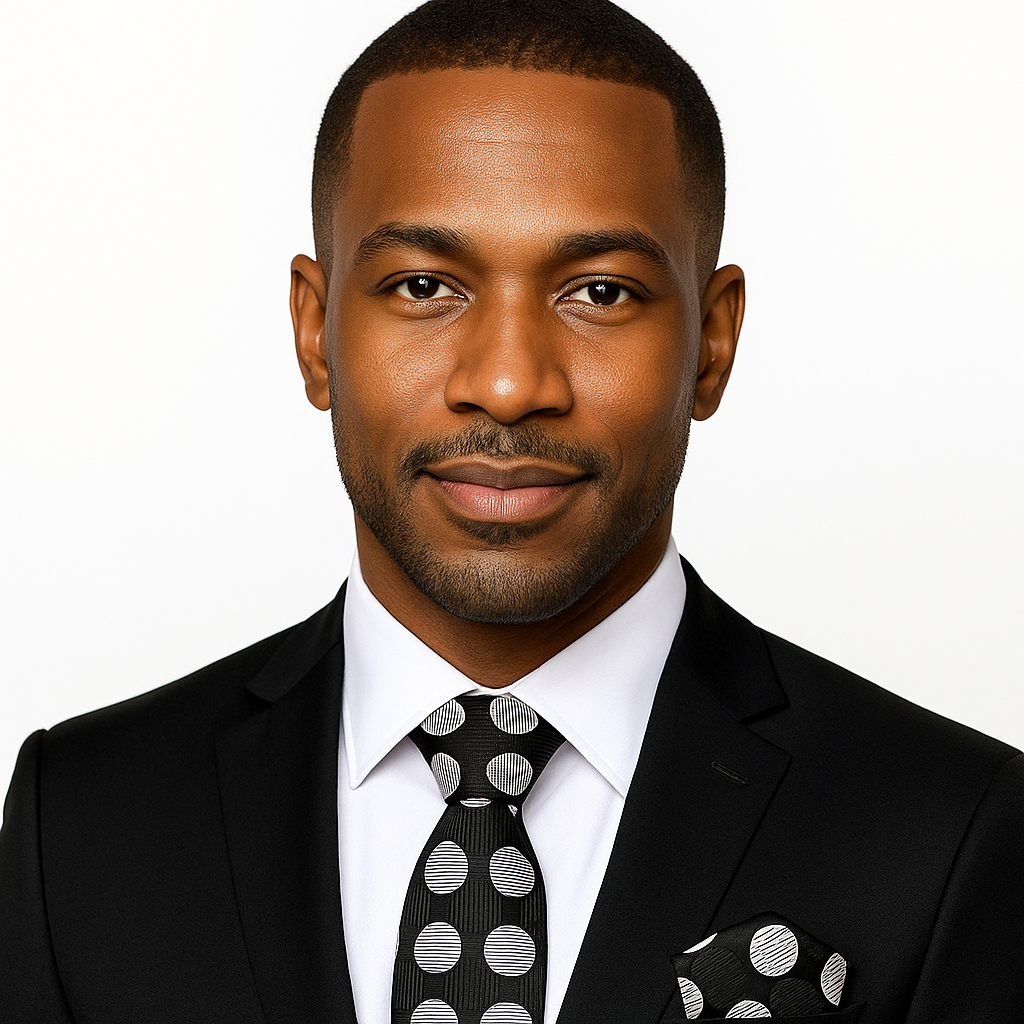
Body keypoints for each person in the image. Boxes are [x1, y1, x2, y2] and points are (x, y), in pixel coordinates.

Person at [1, 0, 1021, 1021]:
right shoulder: (81, 821)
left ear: (711, 345)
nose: (505, 382)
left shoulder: (950, 828)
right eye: (421, 284)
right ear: (315, 334)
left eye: (601, 294)